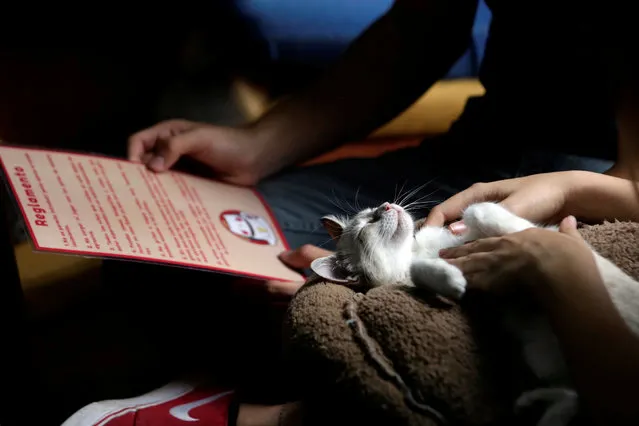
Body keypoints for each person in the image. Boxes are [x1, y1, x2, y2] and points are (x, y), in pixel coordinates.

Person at [65, 0, 639, 425]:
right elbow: (425, 21)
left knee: (378, 321)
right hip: (475, 152)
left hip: (600, 180)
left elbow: (629, 189)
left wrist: (386, 296)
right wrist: (260, 143)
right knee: (159, 256)